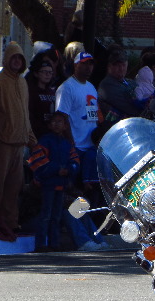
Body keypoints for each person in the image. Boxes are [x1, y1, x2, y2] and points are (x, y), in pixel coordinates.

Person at [0, 41, 37, 231]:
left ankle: (10, 223)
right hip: (1, 144)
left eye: (20, 58)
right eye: (13, 57)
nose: (16, 61)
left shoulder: (23, 82)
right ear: (7, 59)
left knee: (14, 187)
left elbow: (24, 113)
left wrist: (31, 139)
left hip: (19, 143)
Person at [26, 112, 79, 251]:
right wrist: (57, 170)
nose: (56, 124)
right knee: (46, 215)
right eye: (54, 122)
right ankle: (41, 244)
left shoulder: (67, 143)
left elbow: (75, 162)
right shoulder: (45, 141)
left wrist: (69, 170)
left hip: (61, 185)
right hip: (48, 185)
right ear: (49, 125)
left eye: (60, 122)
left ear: (65, 125)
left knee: (56, 216)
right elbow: (37, 162)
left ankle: (54, 243)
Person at [56, 51, 99, 196]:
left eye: (90, 64)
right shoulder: (67, 88)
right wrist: (70, 143)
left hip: (90, 147)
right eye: (84, 64)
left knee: (89, 192)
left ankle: (87, 217)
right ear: (75, 65)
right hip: (76, 147)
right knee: (73, 191)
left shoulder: (92, 87)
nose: (88, 68)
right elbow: (62, 116)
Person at [98, 48, 143, 123]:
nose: (121, 69)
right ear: (109, 66)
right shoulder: (107, 85)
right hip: (116, 129)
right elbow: (131, 109)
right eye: (117, 66)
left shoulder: (130, 82)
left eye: (123, 65)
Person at [27, 61, 56, 139]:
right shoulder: (31, 92)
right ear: (36, 73)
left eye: (50, 72)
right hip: (36, 135)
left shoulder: (53, 92)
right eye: (44, 72)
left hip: (52, 134)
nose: (48, 75)